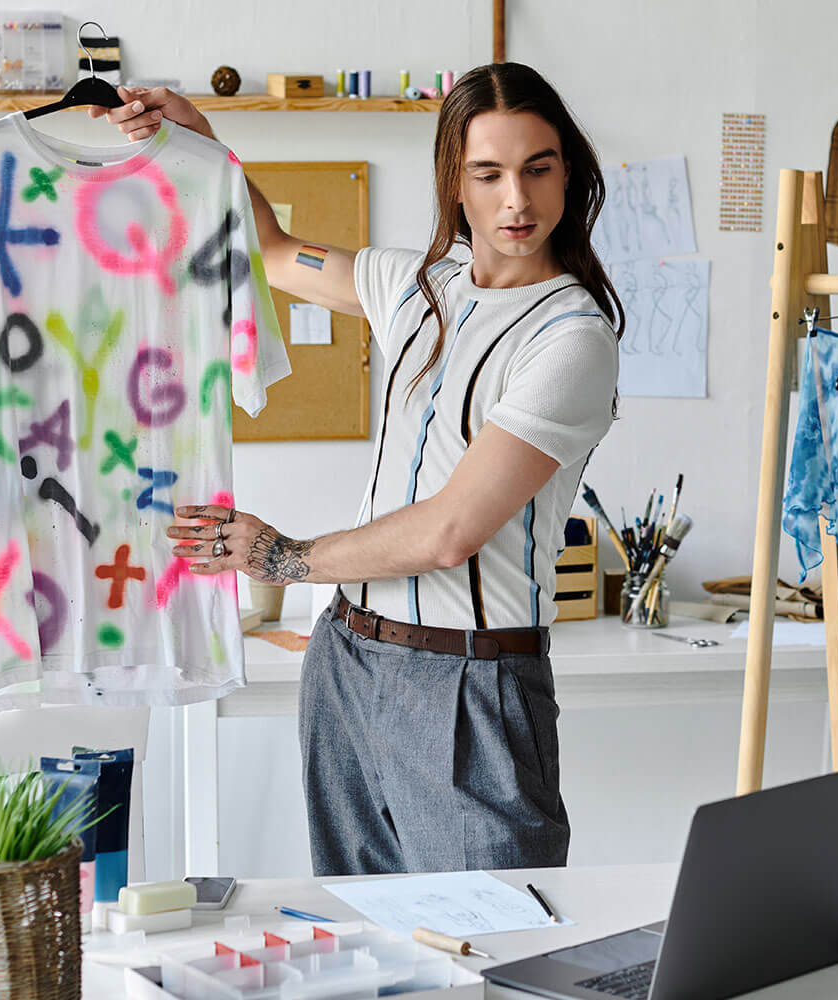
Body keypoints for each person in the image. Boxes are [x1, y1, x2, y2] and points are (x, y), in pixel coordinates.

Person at [93, 63, 623, 874]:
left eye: (537, 169)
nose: (516, 199)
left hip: (470, 681)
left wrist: (284, 558)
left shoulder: (571, 339)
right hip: (344, 660)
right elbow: (269, 250)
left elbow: (451, 530)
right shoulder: (414, 288)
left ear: (567, 173)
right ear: (456, 183)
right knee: (364, 941)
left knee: (496, 949)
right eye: (489, 173)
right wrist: (204, 147)